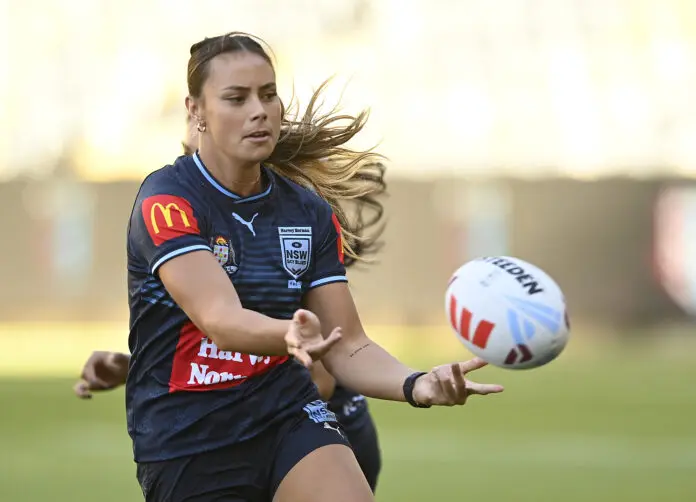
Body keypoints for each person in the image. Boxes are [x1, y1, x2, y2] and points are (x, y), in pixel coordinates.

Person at [93, 31, 504, 502]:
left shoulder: (307, 211)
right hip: (189, 436)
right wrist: (288, 334)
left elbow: (346, 344)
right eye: (236, 98)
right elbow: (220, 321)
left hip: (287, 413)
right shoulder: (168, 200)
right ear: (195, 112)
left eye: (268, 94)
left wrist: (417, 384)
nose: (259, 110)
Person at [75, 115, 382, 491]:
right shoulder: (188, 222)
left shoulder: (290, 224)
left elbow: (320, 377)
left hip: (320, 433)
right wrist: (138, 367)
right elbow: (213, 334)